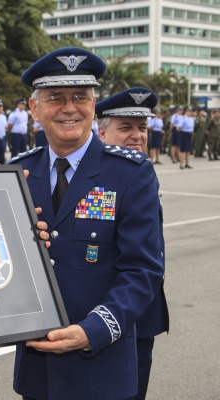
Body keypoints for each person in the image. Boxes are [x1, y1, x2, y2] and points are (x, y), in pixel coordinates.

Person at [8, 47, 164, 400]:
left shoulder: (130, 173)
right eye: (55, 98)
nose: (69, 107)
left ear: (94, 106)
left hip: (102, 364)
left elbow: (142, 272)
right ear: (34, 108)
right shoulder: (18, 172)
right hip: (37, 370)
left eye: (80, 96)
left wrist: (92, 331)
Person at [95, 87, 170, 400]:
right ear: (101, 132)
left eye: (142, 128)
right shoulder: (91, 176)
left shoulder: (143, 173)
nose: (137, 136)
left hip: (144, 313)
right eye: (125, 128)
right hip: (101, 315)